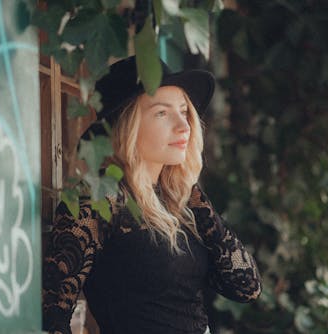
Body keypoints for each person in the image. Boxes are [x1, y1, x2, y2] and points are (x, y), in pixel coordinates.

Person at [42, 56, 262, 334]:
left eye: (184, 111)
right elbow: (51, 319)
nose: (184, 126)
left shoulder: (181, 201)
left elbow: (247, 287)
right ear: (126, 126)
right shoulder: (93, 203)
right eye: (162, 113)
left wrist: (192, 194)